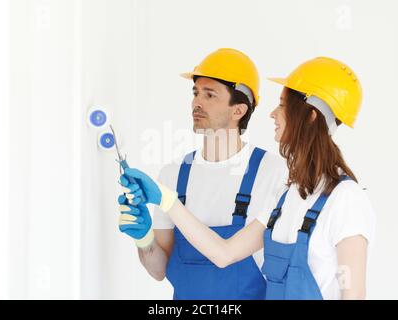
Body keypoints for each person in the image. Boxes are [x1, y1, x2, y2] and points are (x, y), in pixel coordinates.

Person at [119, 57, 376, 300]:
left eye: (283, 105)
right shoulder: (288, 197)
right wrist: (162, 209)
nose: (272, 113)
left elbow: (353, 295)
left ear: (310, 117)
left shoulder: (345, 200)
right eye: (195, 93)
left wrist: (167, 201)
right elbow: (223, 253)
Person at [118, 48, 287, 299]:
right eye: (196, 93)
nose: (197, 102)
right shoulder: (172, 174)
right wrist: (143, 240)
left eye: (210, 95)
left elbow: (235, 257)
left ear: (238, 110)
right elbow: (158, 271)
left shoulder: (272, 172)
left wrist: (168, 201)